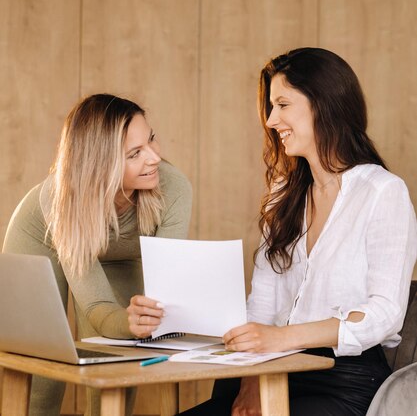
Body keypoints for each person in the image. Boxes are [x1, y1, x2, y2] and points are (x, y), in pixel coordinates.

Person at [179, 47, 417, 416]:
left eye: (282, 105)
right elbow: (262, 305)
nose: (272, 120)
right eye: (271, 107)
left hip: (343, 381)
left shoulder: (383, 192)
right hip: (267, 369)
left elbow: (385, 313)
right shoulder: (282, 195)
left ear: (323, 104)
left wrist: (279, 339)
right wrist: (253, 383)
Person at [2, 93, 192, 416]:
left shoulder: (175, 189)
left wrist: (141, 322)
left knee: (121, 365)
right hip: (41, 240)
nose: (155, 157)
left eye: (152, 140)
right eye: (135, 153)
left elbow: (165, 291)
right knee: (42, 375)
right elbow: (95, 305)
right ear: (101, 166)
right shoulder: (59, 198)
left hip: (116, 253)